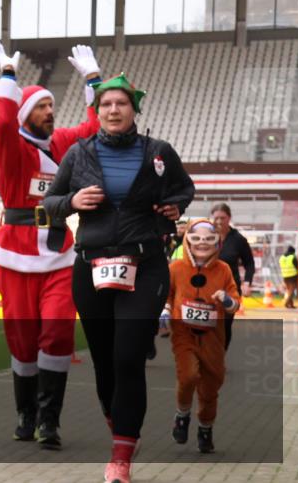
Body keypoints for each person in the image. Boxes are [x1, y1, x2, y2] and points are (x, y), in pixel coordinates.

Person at [42, 73, 195, 483]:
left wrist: (174, 208)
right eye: (106, 104)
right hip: (90, 266)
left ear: (134, 109)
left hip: (144, 265)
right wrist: (71, 201)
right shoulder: (78, 153)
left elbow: (184, 188)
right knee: (105, 362)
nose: (113, 110)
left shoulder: (159, 152)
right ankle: (119, 422)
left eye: (121, 104)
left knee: (128, 356)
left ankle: (121, 456)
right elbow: (50, 203)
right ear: (97, 111)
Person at [0, 41, 103, 449]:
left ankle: (49, 421)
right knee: (21, 342)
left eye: (52, 106)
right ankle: (26, 413)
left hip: (58, 252)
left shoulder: (59, 145)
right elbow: (1, 125)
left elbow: (94, 126)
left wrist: (93, 77)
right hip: (16, 254)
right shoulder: (9, 149)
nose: (50, 112)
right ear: (23, 113)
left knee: (56, 334)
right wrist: (7, 76)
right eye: (41, 107)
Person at [159, 219, 239, 454]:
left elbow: (235, 302)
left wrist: (226, 299)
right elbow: (167, 293)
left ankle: (205, 427)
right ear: (188, 242)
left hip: (213, 336)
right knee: (188, 375)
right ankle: (182, 415)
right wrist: (164, 310)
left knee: (210, 386)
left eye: (208, 239)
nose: (202, 244)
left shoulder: (223, 270)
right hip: (183, 332)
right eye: (197, 239)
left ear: (217, 243)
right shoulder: (175, 268)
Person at [210, 203, 255, 350]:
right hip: (208, 287)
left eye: (223, 218)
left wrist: (247, 283)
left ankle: (219, 356)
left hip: (230, 288)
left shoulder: (238, 239)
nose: (219, 221)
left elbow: (249, 263)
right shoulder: (206, 236)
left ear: (229, 218)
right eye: (216, 218)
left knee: (225, 325)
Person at [280, 245, 298, 309]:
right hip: (293, 276)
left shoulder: (282, 257)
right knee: (292, 291)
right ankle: (286, 303)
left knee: (289, 290)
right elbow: (297, 266)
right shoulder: (292, 257)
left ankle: (291, 305)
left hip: (285, 276)